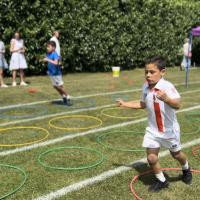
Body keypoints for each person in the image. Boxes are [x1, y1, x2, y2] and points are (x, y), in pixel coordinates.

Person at [117, 56, 192, 192]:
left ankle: (186, 168)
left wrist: (167, 99)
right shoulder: (145, 87)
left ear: (162, 72)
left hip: (169, 130)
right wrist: (125, 104)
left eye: (152, 72)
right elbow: (142, 104)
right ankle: (162, 181)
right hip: (153, 130)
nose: (148, 75)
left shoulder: (167, 86)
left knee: (176, 155)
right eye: (146, 72)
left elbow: (178, 105)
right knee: (151, 158)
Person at [43, 41, 72, 106]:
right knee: (55, 86)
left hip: (56, 74)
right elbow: (50, 63)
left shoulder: (54, 54)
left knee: (59, 86)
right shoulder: (48, 54)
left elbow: (56, 63)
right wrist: (48, 70)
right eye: (47, 47)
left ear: (53, 48)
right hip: (52, 73)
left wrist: (48, 60)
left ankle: (67, 96)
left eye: (49, 47)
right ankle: (64, 96)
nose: (47, 48)